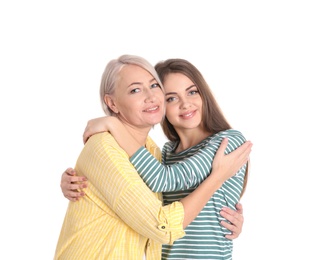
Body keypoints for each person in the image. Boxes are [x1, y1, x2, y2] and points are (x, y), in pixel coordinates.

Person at [60, 57, 252, 259]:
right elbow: (143, 200)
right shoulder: (164, 154)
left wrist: (113, 124)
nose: (186, 104)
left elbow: (163, 179)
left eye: (192, 92)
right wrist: (82, 179)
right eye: (171, 98)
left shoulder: (227, 141)